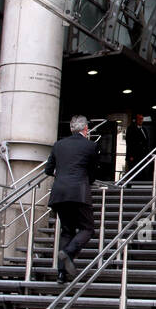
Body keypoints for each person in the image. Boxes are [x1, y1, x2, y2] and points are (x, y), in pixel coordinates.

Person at [44, 115, 98, 284]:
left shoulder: (58, 145)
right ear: (86, 129)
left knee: (67, 231)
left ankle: (61, 274)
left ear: (71, 129)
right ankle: (68, 252)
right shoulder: (90, 146)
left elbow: (48, 170)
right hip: (79, 193)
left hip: (59, 193)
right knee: (87, 228)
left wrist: (62, 176)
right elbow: (93, 172)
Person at [125, 113, 151, 178]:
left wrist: (148, 155)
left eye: (142, 119)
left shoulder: (144, 129)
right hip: (134, 156)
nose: (141, 120)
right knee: (134, 173)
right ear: (135, 120)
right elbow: (129, 142)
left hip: (143, 156)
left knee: (143, 173)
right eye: (139, 119)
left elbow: (147, 143)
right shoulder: (131, 128)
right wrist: (131, 155)